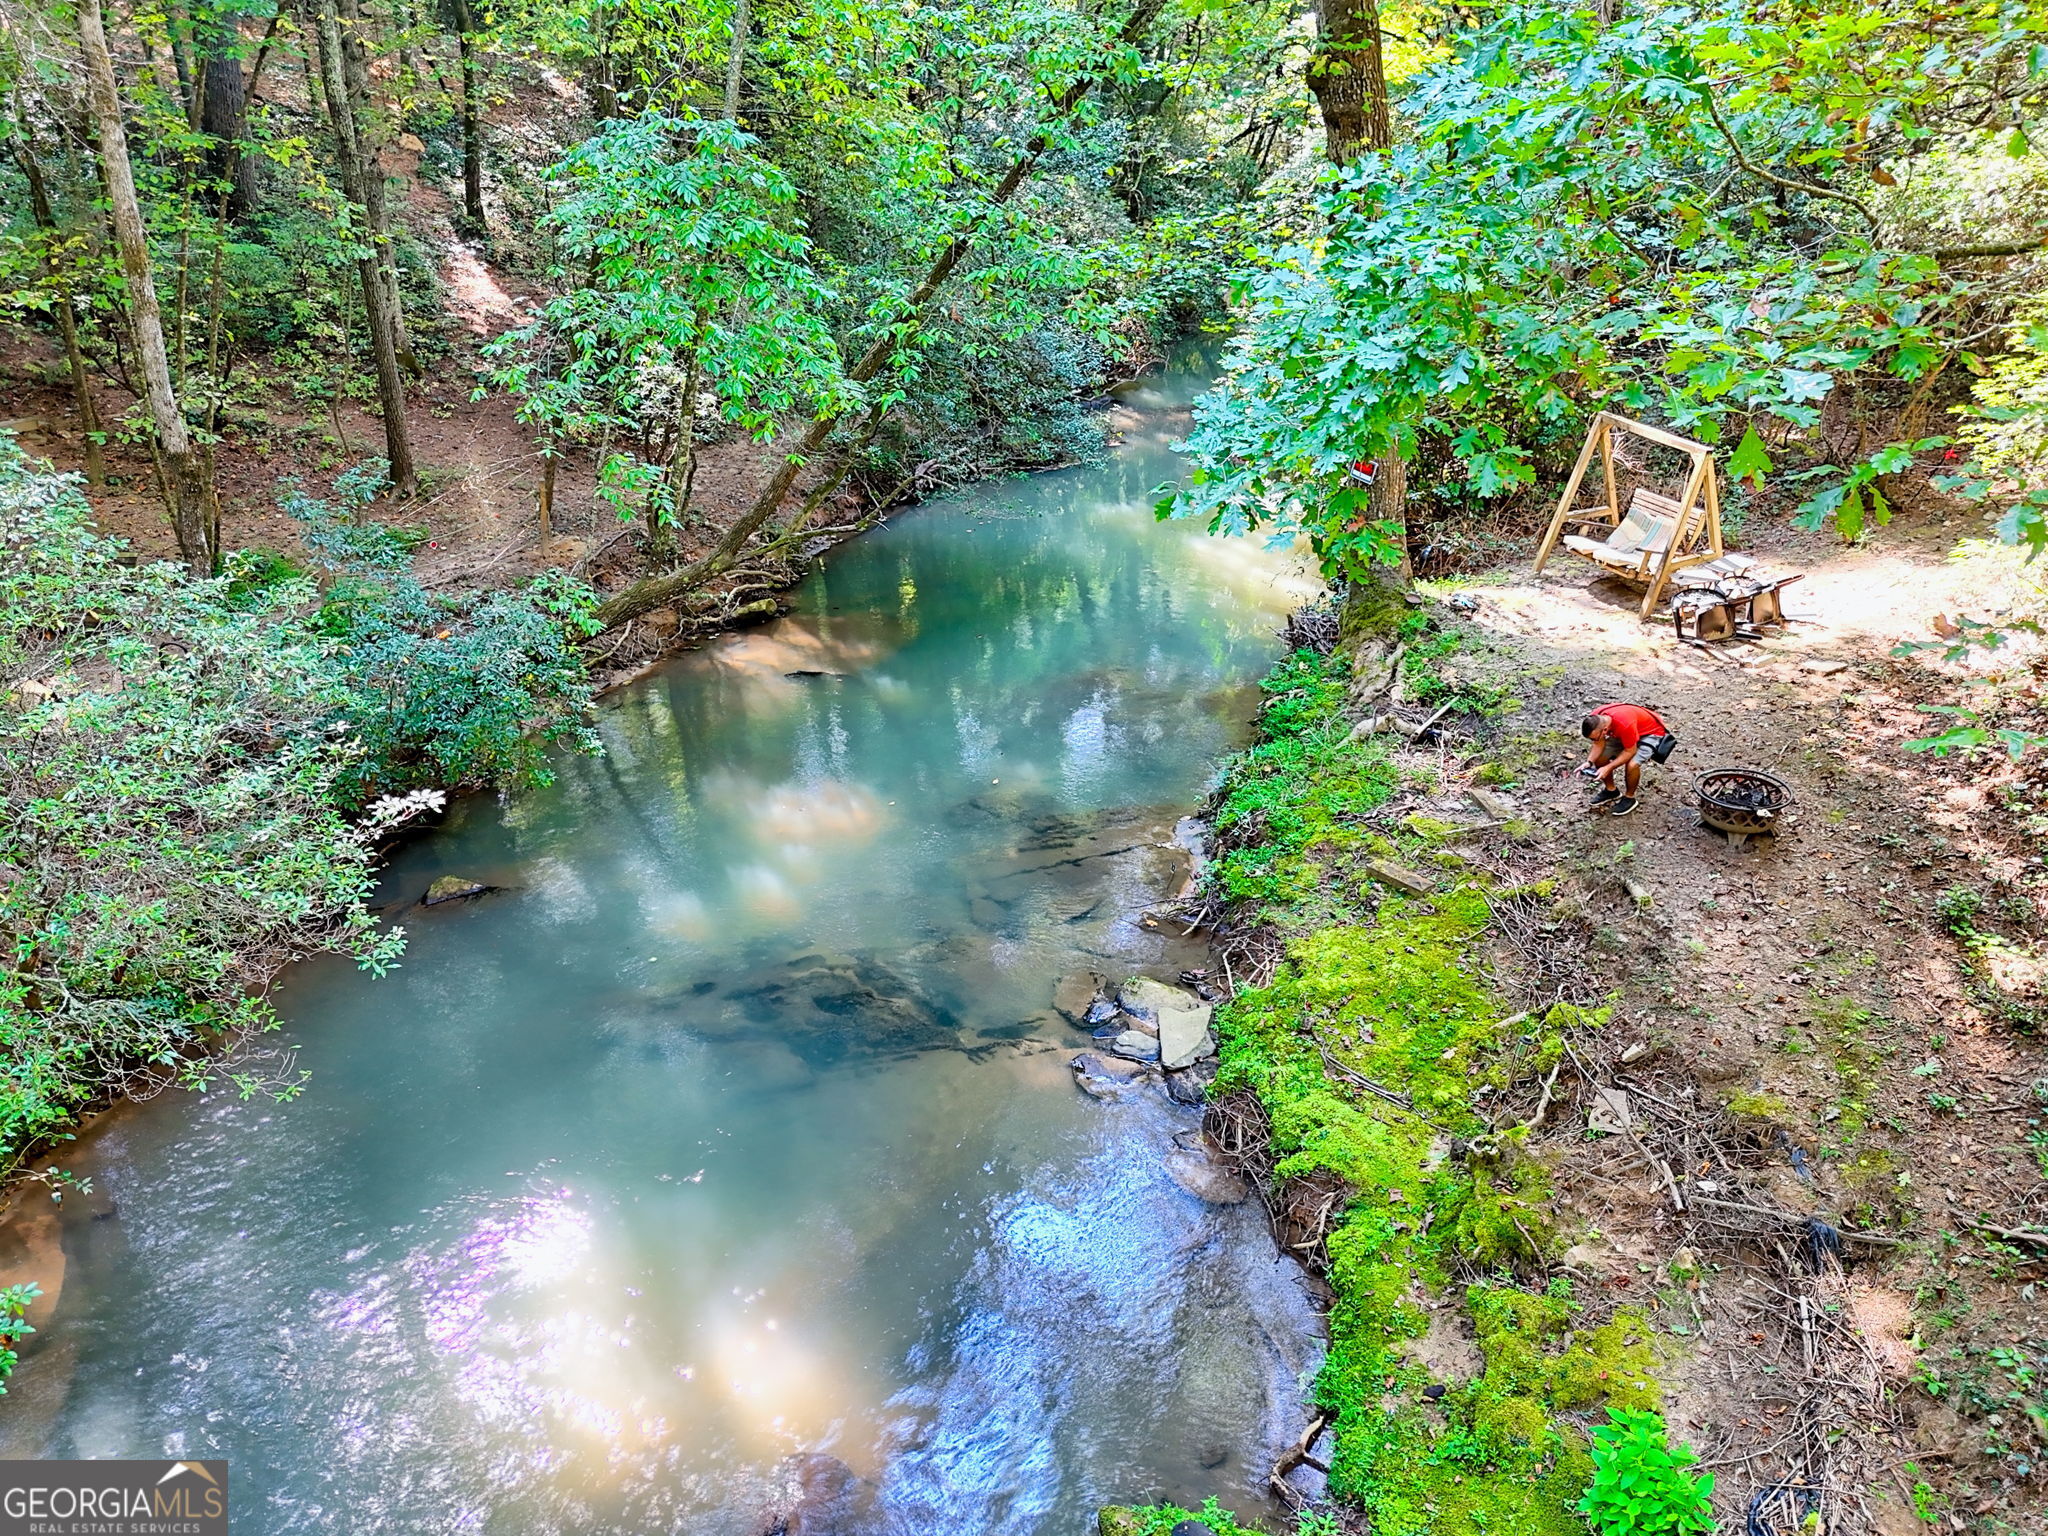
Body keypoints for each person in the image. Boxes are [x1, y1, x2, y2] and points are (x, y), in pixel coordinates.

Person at [1580, 702, 1672, 816]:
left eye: (1595, 737)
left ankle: (1630, 798)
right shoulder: (1596, 718)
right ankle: (1611, 791)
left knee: (1632, 765)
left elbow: (1630, 751)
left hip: (1649, 733)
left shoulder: (1624, 724)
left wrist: (1608, 767)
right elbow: (1599, 743)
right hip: (1628, 732)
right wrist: (1589, 762)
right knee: (1600, 757)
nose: (1594, 740)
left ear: (1604, 730)